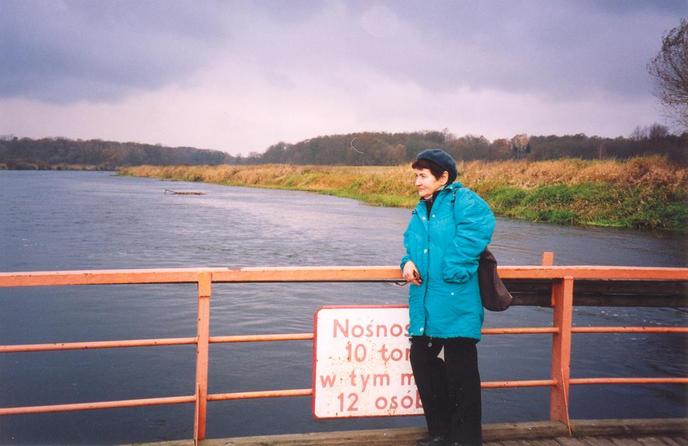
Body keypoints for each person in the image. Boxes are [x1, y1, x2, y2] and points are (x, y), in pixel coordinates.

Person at [400, 149, 495, 446]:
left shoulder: (462, 200)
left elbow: (481, 225)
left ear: (443, 177)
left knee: (461, 371)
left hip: (457, 299)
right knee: (422, 360)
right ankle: (441, 433)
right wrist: (406, 262)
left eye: (422, 175)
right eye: (416, 175)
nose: (417, 181)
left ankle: (465, 440)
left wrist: (454, 266)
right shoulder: (421, 209)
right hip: (427, 302)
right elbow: (410, 241)